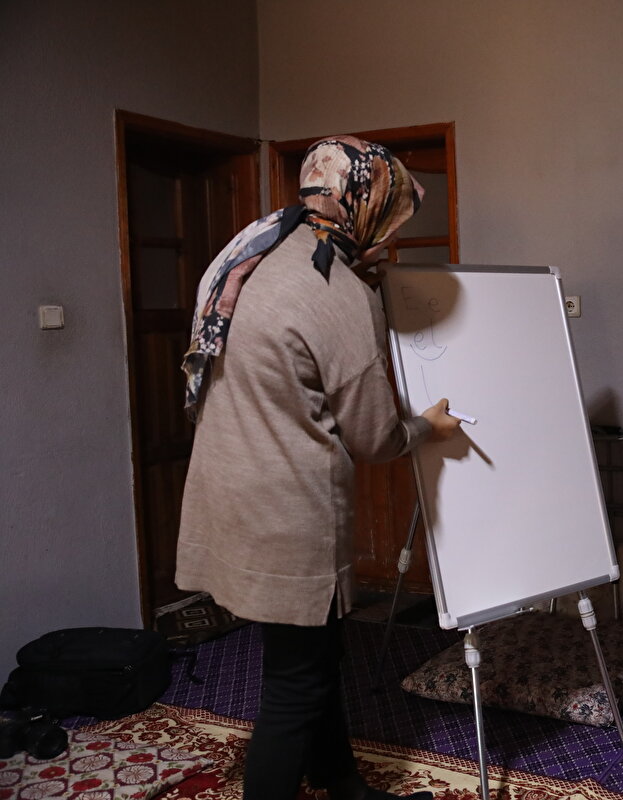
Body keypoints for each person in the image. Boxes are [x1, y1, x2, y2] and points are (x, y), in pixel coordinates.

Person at [175, 136, 458, 800]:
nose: (389, 235)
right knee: (293, 684)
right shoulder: (335, 292)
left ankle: (338, 778)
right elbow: (376, 436)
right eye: (388, 217)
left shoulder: (254, 249)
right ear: (362, 202)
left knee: (314, 654)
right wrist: (430, 426)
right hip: (287, 510)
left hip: (230, 488)